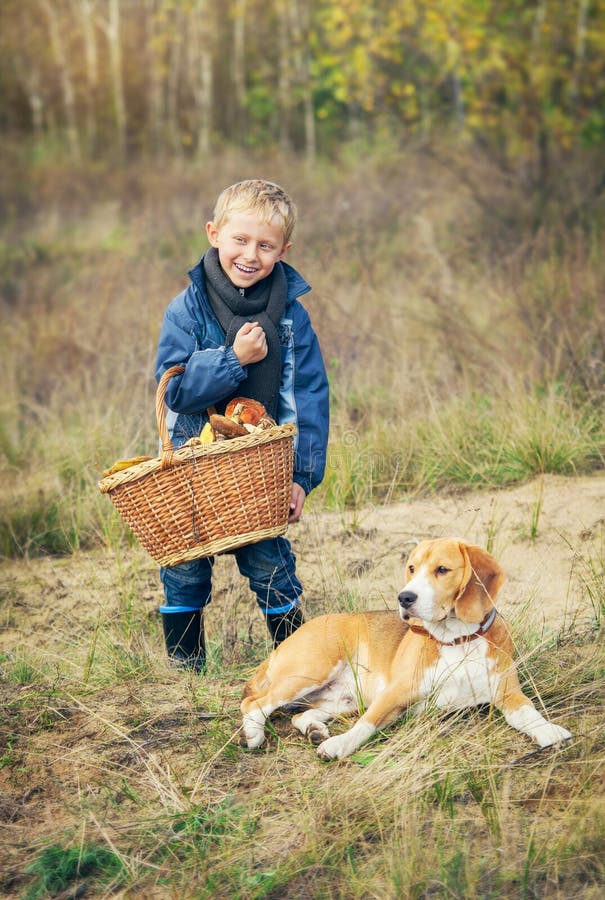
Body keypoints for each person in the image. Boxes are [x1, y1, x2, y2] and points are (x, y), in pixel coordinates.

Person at [154, 179, 329, 671]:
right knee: (185, 564)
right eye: (240, 239)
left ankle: (297, 668)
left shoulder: (291, 315)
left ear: (283, 250)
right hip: (193, 459)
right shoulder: (187, 309)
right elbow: (174, 390)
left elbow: (309, 397)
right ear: (214, 234)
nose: (250, 254)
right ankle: (186, 675)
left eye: (265, 245)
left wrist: (301, 477)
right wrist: (233, 360)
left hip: (260, 465)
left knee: (270, 562)